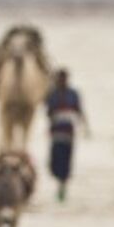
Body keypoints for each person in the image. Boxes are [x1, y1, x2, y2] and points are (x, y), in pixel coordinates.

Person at [44, 69, 90, 203]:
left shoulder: (73, 94)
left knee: (66, 162)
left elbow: (79, 110)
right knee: (54, 162)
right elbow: (48, 111)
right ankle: (59, 181)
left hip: (68, 134)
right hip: (56, 133)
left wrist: (85, 127)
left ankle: (62, 187)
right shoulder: (53, 94)